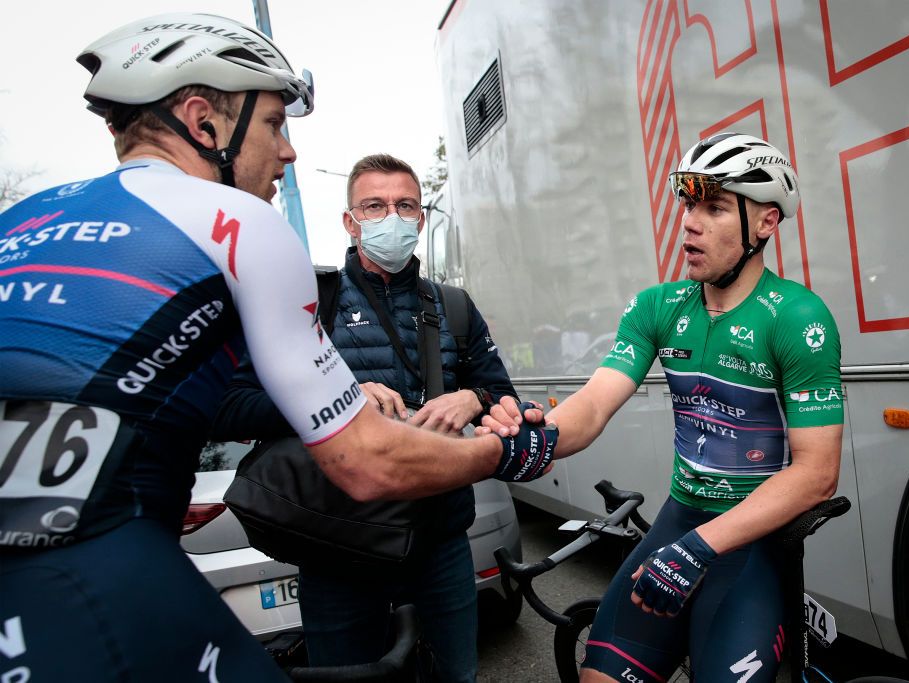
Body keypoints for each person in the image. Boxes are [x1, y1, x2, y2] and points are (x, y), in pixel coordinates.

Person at [0, 13, 554, 683]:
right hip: (127, 567)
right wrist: (510, 450)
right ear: (203, 122)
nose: (287, 152)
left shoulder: (22, 220)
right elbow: (365, 463)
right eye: (271, 124)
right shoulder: (243, 225)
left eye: (409, 206)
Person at [482, 133, 844, 682]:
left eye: (715, 208)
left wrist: (699, 549)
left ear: (766, 224)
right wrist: (539, 437)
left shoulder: (796, 317)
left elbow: (817, 473)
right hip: (681, 521)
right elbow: (595, 403)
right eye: (689, 204)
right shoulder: (658, 307)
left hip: (751, 540)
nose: (690, 223)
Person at [211, 152, 518, 681]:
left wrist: (476, 400)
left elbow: (505, 397)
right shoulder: (308, 300)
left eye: (404, 206)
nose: (391, 218)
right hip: (338, 546)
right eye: (374, 206)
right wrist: (337, 397)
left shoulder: (454, 305)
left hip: (440, 539)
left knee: (456, 675)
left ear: (420, 220)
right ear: (350, 222)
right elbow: (229, 407)